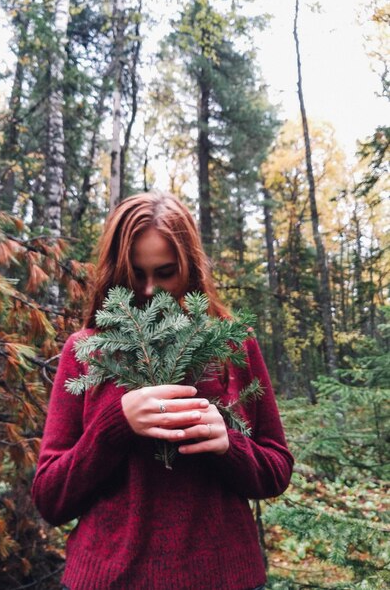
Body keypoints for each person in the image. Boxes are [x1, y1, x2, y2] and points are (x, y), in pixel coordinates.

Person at [32, 191, 294, 590]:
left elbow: (276, 470)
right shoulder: (86, 350)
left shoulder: (232, 344)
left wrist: (230, 445)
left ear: (190, 267)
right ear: (117, 271)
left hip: (225, 579)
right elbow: (51, 499)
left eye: (166, 272)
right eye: (137, 274)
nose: (151, 289)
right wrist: (116, 424)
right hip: (108, 580)